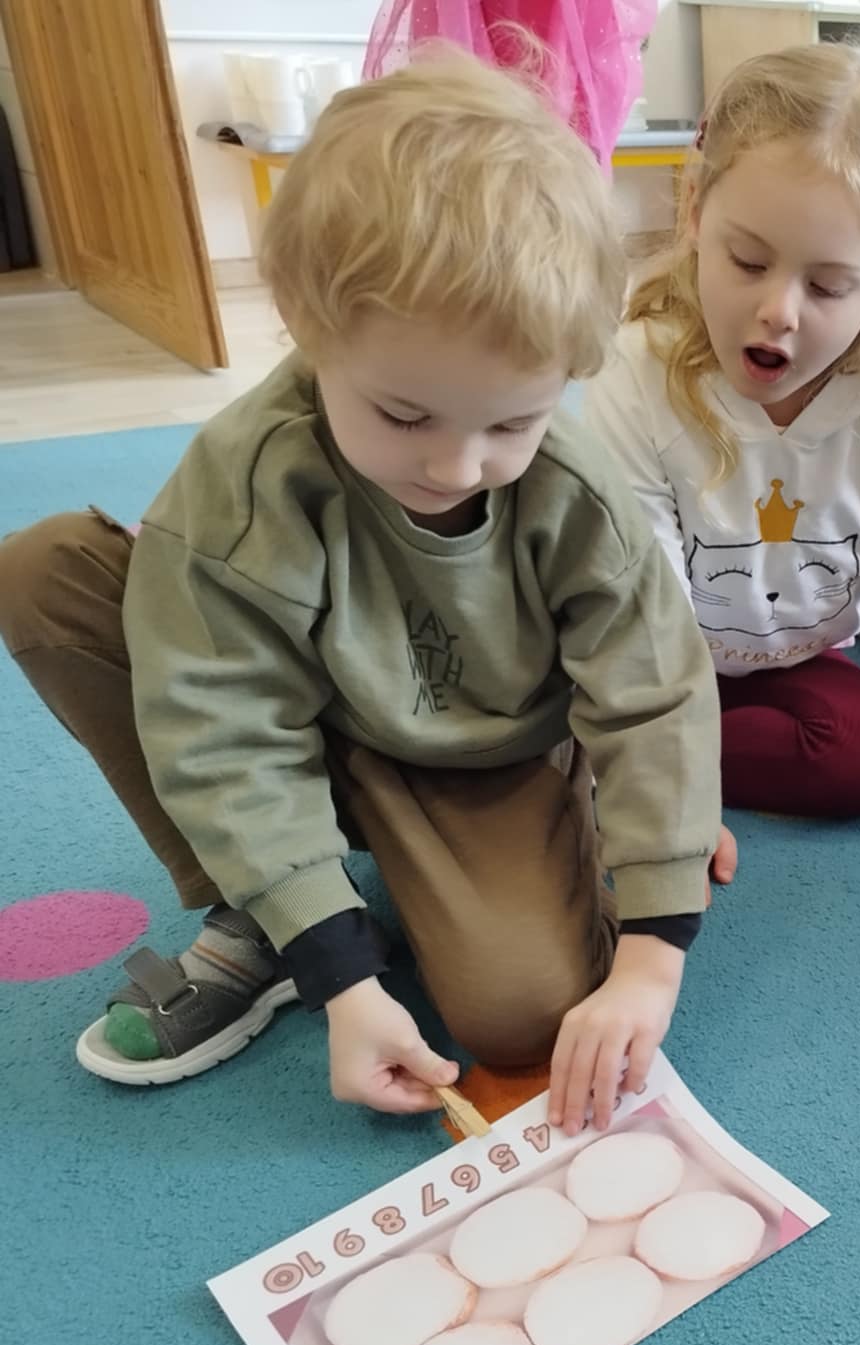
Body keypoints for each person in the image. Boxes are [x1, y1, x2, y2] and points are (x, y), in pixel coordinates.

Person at [0, 51, 724, 1131]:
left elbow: (654, 694)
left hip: (481, 756)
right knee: (45, 571)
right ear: (305, 324)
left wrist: (655, 946)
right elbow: (220, 722)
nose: (457, 465)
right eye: (404, 414)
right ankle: (256, 914)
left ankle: (536, 832)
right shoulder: (248, 475)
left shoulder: (575, 495)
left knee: (521, 1014)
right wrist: (334, 966)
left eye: (512, 422)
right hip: (305, 714)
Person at [583, 44, 860, 832]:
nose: (779, 312)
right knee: (533, 698)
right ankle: (611, 758)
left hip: (789, 661)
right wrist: (663, 777)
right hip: (640, 659)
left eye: (827, 286)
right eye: (747, 260)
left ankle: (616, 758)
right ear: (695, 215)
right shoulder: (637, 372)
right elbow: (640, 598)